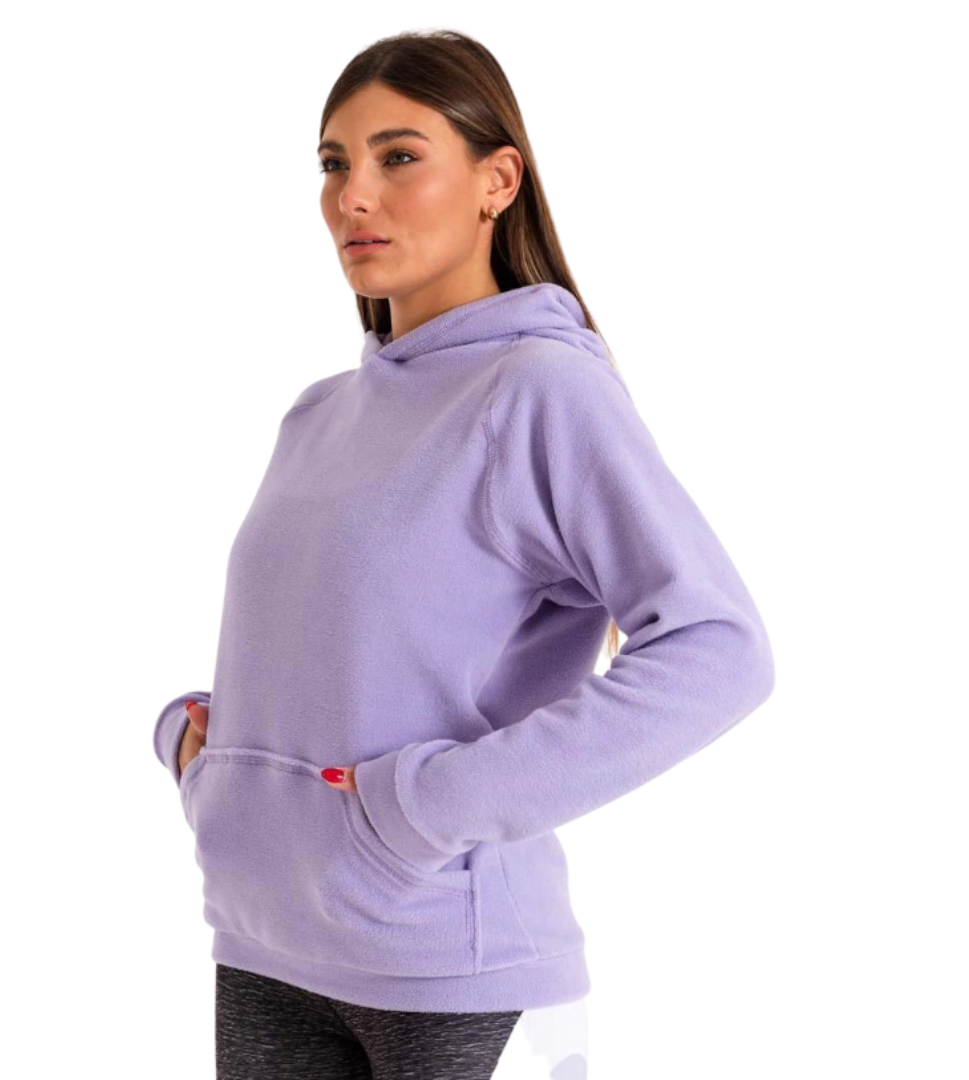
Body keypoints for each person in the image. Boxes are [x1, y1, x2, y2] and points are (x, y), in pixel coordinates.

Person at [152, 28, 775, 1080]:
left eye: (398, 156)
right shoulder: (318, 415)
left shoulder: (539, 389)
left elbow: (722, 650)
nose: (353, 196)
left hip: (452, 969)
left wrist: (421, 808)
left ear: (497, 182)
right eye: (333, 163)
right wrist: (205, 763)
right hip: (263, 950)